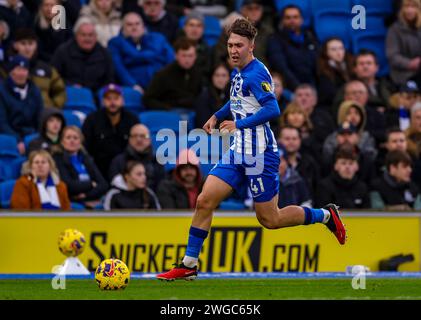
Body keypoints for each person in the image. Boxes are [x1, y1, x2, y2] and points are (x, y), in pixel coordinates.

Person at [157, 19, 346, 281]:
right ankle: (189, 264)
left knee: (270, 220)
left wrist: (238, 124)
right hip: (237, 152)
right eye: (230, 45)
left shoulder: (256, 73)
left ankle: (325, 215)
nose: (233, 50)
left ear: (252, 46)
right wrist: (216, 115)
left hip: (261, 155)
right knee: (204, 201)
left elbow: (273, 109)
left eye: (239, 45)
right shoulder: (238, 72)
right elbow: (237, 102)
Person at [82, 83, 140, 179]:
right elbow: (85, 149)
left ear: (122, 101)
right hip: (99, 170)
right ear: (103, 101)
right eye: (108, 99)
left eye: (116, 98)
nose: (112, 102)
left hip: (126, 170)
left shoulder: (132, 119)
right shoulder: (92, 120)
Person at [108, 12, 174, 93]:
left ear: (143, 26)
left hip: (161, 83)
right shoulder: (115, 43)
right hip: (134, 87)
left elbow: (171, 61)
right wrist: (133, 85)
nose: (134, 27)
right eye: (129, 24)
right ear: (123, 28)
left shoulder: (157, 38)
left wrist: (169, 81)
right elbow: (119, 68)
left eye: (137, 24)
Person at [51, 17, 114, 92]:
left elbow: (110, 79)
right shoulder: (63, 51)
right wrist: (69, 85)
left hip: (96, 95)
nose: (87, 38)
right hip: (70, 93)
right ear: (76, 36)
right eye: (83, 35)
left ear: (96, 37)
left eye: (90, 35)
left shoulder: (105, 53)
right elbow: (54, 76)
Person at [53, 126, 109, 207]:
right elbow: (69, 186)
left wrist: (87, 195)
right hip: (72, 201)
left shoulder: (86, 158)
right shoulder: (57, 159)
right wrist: (91, 184)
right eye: (68, 138)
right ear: (62, 141)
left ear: (80, 142)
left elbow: (103, 184)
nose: (72, 141)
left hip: (90, 198)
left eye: (75, 138)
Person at [12, 28, 66, 109]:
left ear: (36, 45)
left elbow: (60, 91)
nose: (27, 48)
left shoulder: (47, 69)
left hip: (44, 116)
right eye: (23, 43)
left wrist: (53, 108)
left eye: (30, 44)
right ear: (15, 45)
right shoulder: (7, 69)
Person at [267, 5, 318, 90]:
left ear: (301, 19)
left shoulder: (310, 38)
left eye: (295, 17)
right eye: (288, 17)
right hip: (288, 88)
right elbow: (282, 68)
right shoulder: (275, 40)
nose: (292, 20)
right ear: (282, 20)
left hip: (312, 87)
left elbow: (318, 66)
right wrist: (298, 88)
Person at [0, 55, 43, 155]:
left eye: (24, 69)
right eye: (18, 69)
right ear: (11, 72)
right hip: (10, 135)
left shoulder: (34, 90)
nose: (21, 73)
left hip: (32, 134)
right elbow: (2, 122)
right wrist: (17, 140)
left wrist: (39, 135)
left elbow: (40, 116)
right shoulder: (2, 91)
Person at [143, 37, 202, 110]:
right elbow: (147, 99)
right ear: (176, 56)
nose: (187, 60)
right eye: (184, 55)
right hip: (171, 113)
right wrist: (168, 108)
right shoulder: (163, 75)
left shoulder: (198, 73)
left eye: (190, 56)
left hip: (193, 112)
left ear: (195, 56)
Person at [215, 0, 273, 67]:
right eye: (250, 8)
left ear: (261, 10)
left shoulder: (268, 32)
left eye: (257, 8)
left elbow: (273, 56)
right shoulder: (232, 28)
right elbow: (219, 53)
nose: (254, 12)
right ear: (242, 10)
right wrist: (226, 61)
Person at [108, 123, 166, 191]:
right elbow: (115, 187)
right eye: (134, 136)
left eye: (143, 136)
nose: (139, 139)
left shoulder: (157, 161)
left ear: (150, 139)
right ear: (129, 139)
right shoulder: (118, 161)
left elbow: (161, 187)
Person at [316, 145, 370, 209]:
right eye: (343, 163)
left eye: (351, 163)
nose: (347, 167)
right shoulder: (325, 186)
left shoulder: (362, 187)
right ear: (336, 166)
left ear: (357, 167)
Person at [278, 126, 320, 199]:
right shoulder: (271, 164)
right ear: (279, 140)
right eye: (287, 139)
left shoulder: (310, 163)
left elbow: (316, 188)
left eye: (294, 138)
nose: (291, 142)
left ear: (300, 140)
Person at [386, 0, 421, 86]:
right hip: (404, 75)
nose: (409, 10)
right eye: (406, 7)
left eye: (413, 7)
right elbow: (392, 56)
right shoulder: (394, 30)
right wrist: (410, 63)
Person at [317, 37, 353, 108]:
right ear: (326, 52)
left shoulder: (351, 66)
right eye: (333, 49)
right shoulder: (323, 71)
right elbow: (328, 95)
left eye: (341, 48)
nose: (338, 52)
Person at [193, 62, 230, 128]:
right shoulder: (204, 96)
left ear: (229, 77)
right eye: (217, 75)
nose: (220, 79)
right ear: (212, 77)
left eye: (224, 75)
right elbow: (203, 123)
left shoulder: (233, 95)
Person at [176, 11, 212, 78]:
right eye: (191, 25)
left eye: (199, 26)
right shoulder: (174, 47)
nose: (194, 29)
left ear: (203, 29)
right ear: (184, 27)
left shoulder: (208, 50)